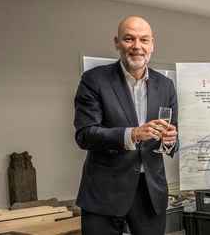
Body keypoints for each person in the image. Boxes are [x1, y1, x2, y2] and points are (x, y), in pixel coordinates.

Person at [73, 15, 178, 235]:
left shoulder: (166, 85)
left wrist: (171, 141)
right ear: (117, 42)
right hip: (105, 192)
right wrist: (133, 134)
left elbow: (173, 136)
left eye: (144, 40)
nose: (137, 46)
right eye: (129, 39)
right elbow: (85, 134)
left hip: (150, 192)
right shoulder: (94, 80)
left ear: (152, 45)